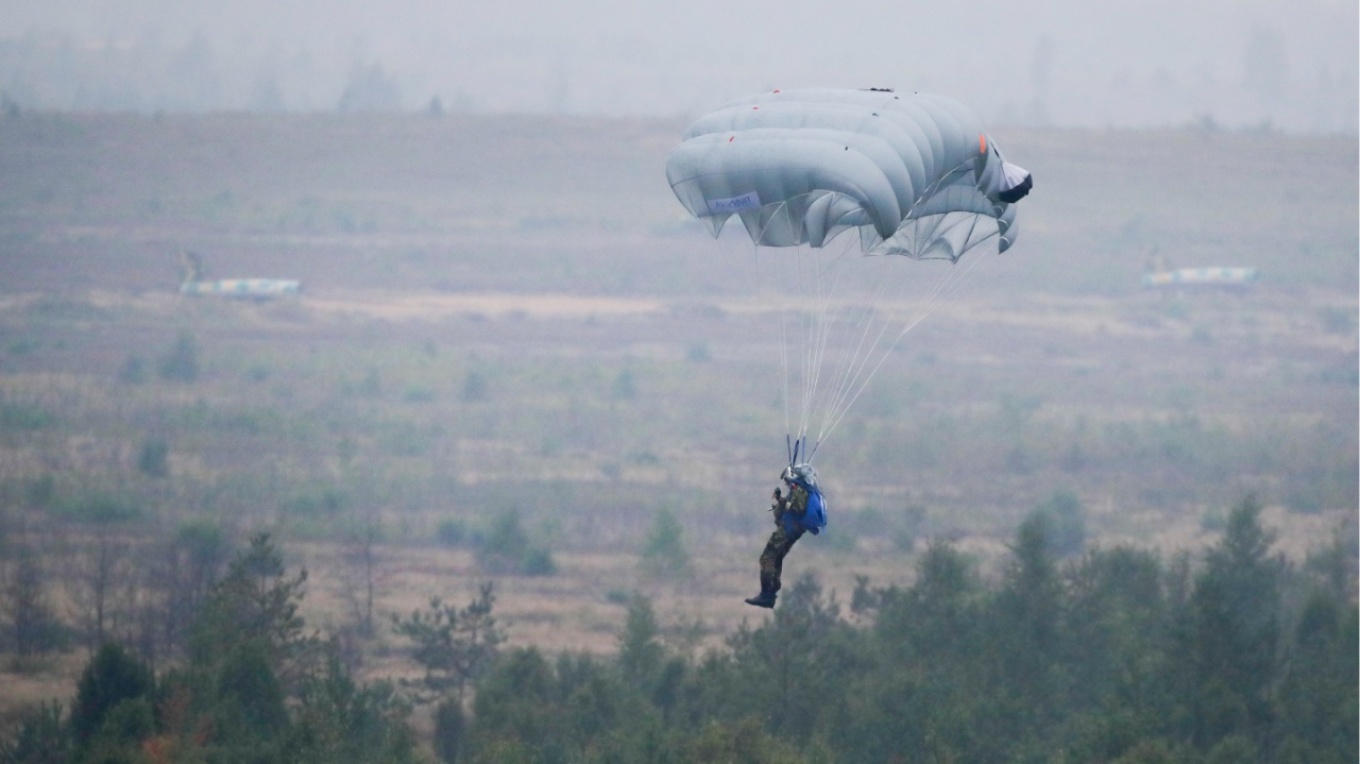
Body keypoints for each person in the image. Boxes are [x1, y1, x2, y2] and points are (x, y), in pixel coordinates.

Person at [745, 463, 827, 608]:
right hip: (792, 531)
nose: (786, 482)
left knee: (767, 558)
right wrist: (780, 501)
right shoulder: (802, 490)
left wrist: (783, 501)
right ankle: (770, 593)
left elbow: (797, 508)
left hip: (788, 530)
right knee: (776, 558)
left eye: (787, 479)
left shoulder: (799, 490)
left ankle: (766, 594)